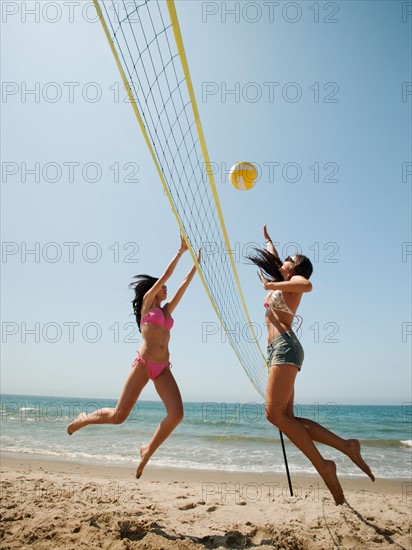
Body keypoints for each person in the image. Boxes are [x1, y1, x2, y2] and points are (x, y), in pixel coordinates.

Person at [248, 225, 374, 505]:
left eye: (288, 262)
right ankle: (346, 446)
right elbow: (276, 260)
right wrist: (269, 241)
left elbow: (307, 284)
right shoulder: (284, 279)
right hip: (279, 351)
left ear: (294, 269)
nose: (282, 263)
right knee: (287, 417)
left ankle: (325, 466)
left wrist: (271, 286)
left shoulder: (294, 285)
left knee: (275, 416)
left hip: (285, 349)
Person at [67, 235, 200, 479]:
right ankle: (84, 419)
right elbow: (167, 277)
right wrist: (180, 252)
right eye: (161, 287)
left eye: (163, 289)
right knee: (119, 416)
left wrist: (196, 265)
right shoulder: (149, 304)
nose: (165, 289)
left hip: (162, 368)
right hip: (143, 364)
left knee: (177, 414)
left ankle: (147, 449)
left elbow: (182, 285)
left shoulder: (166, 310)